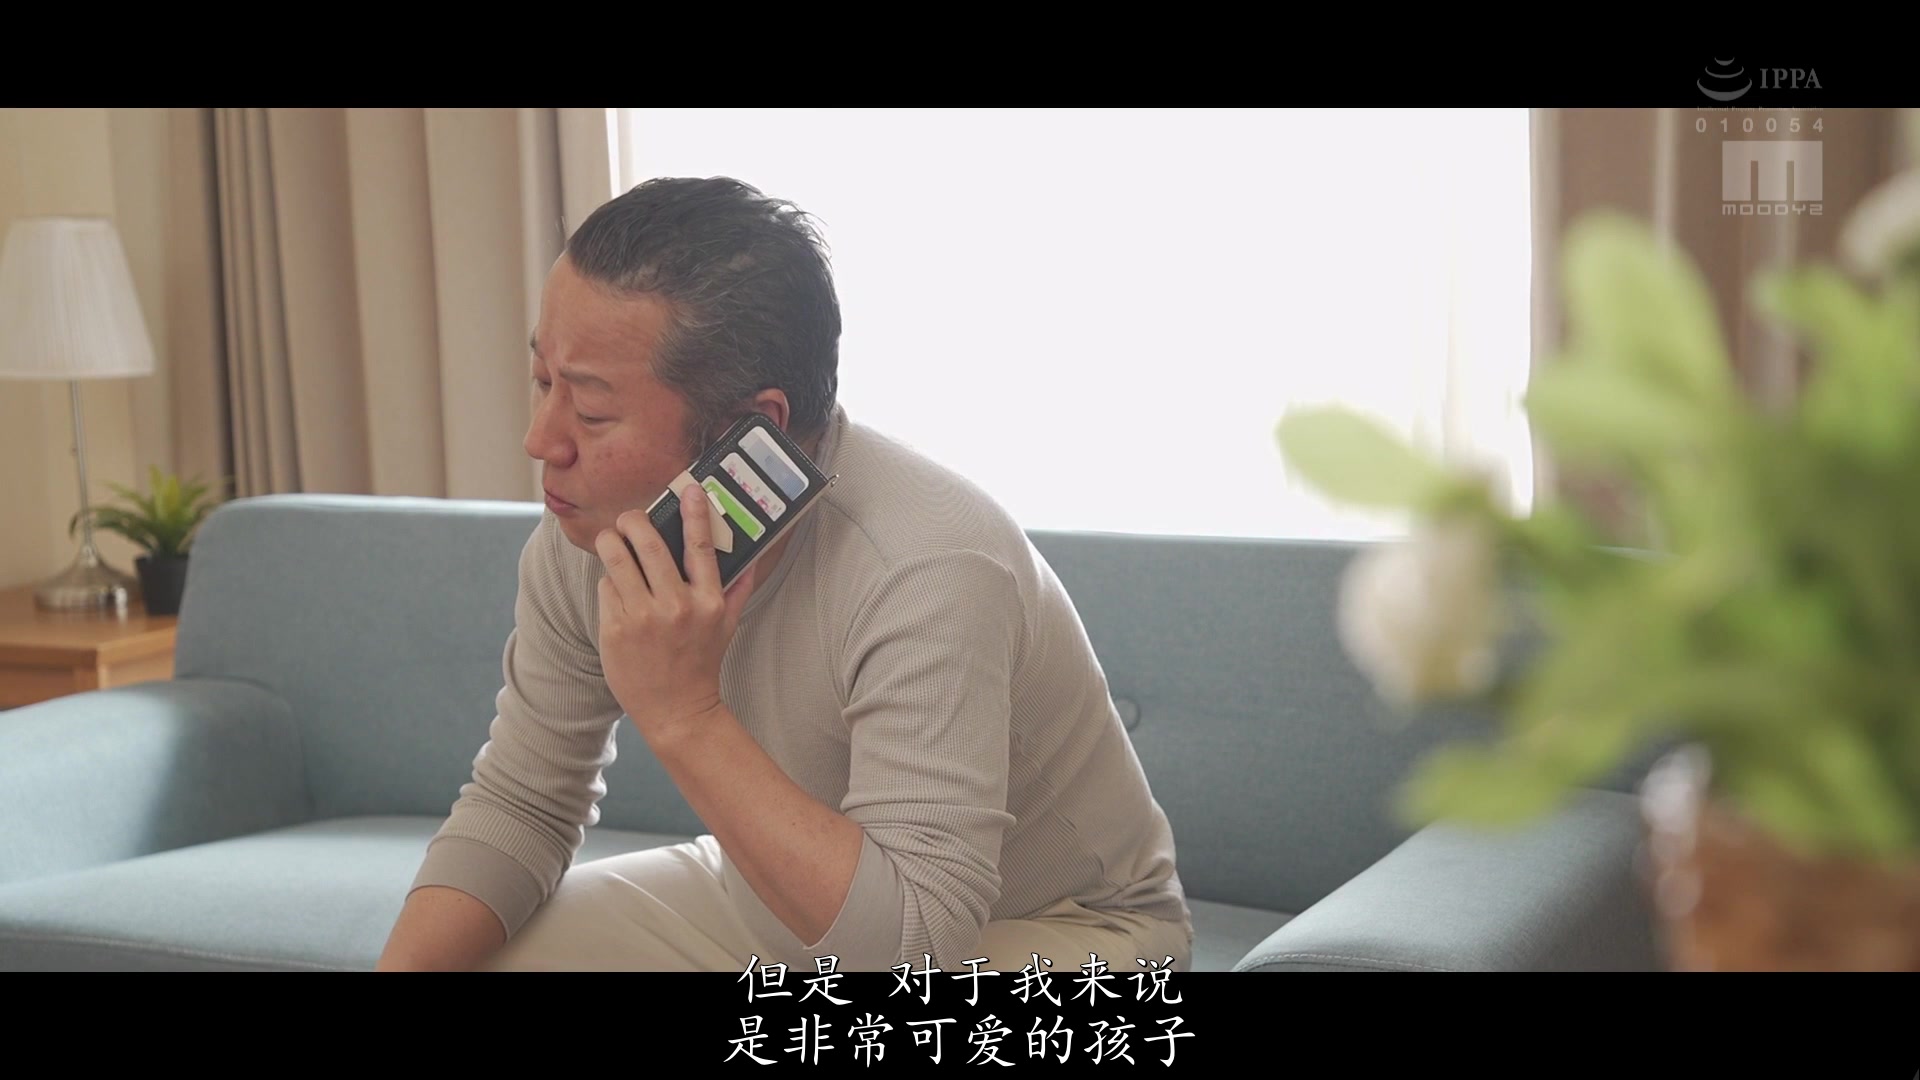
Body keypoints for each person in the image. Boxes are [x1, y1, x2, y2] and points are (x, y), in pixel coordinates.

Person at [375, 177, 1190, 973]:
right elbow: (523, 803)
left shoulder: (928, 566)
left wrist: (686, 714)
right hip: (785, 902)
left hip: (1062, 933)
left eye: (590, 411)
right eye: (542, 382)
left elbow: (914, 944)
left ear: (750, 430)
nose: (541, 441)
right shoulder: (593, 535)